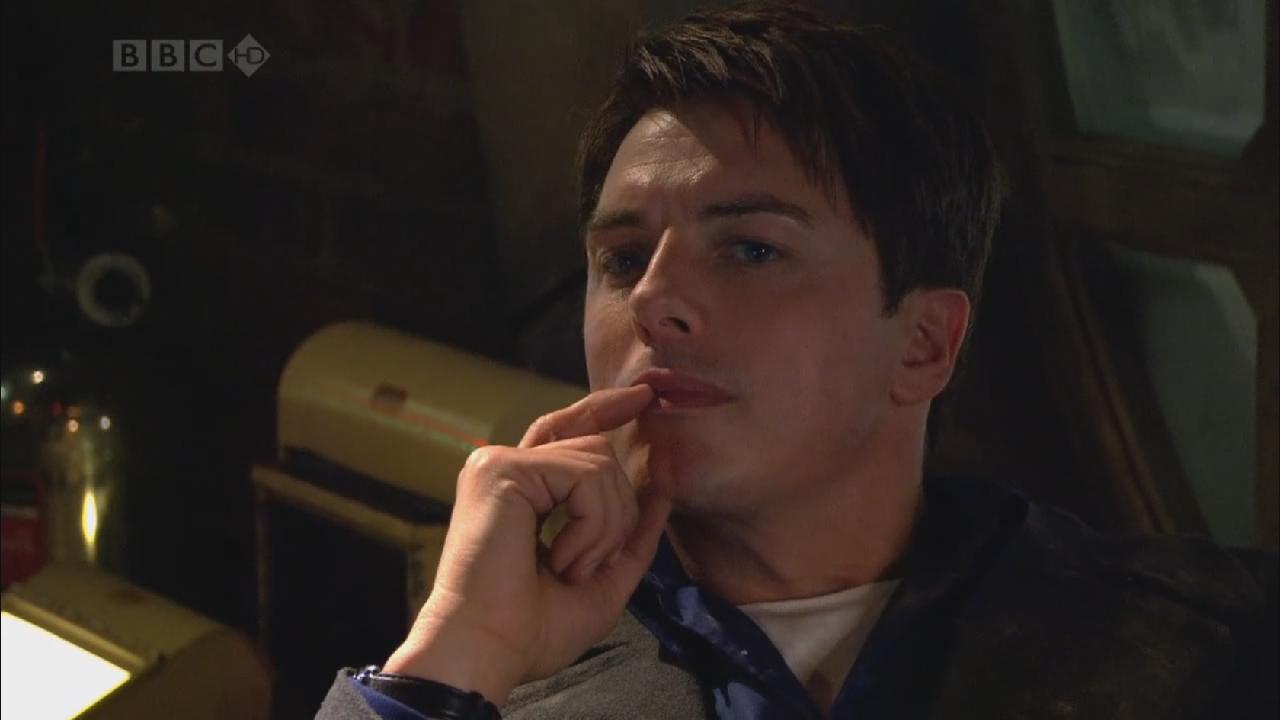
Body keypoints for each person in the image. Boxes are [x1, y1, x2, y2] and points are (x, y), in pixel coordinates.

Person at [318, 3, 1277, 718]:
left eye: (750, 249)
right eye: (623, 259)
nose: (651, 299)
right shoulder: (491, 683)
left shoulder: (1206, 650)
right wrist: (462, 648)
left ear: (924, 344)